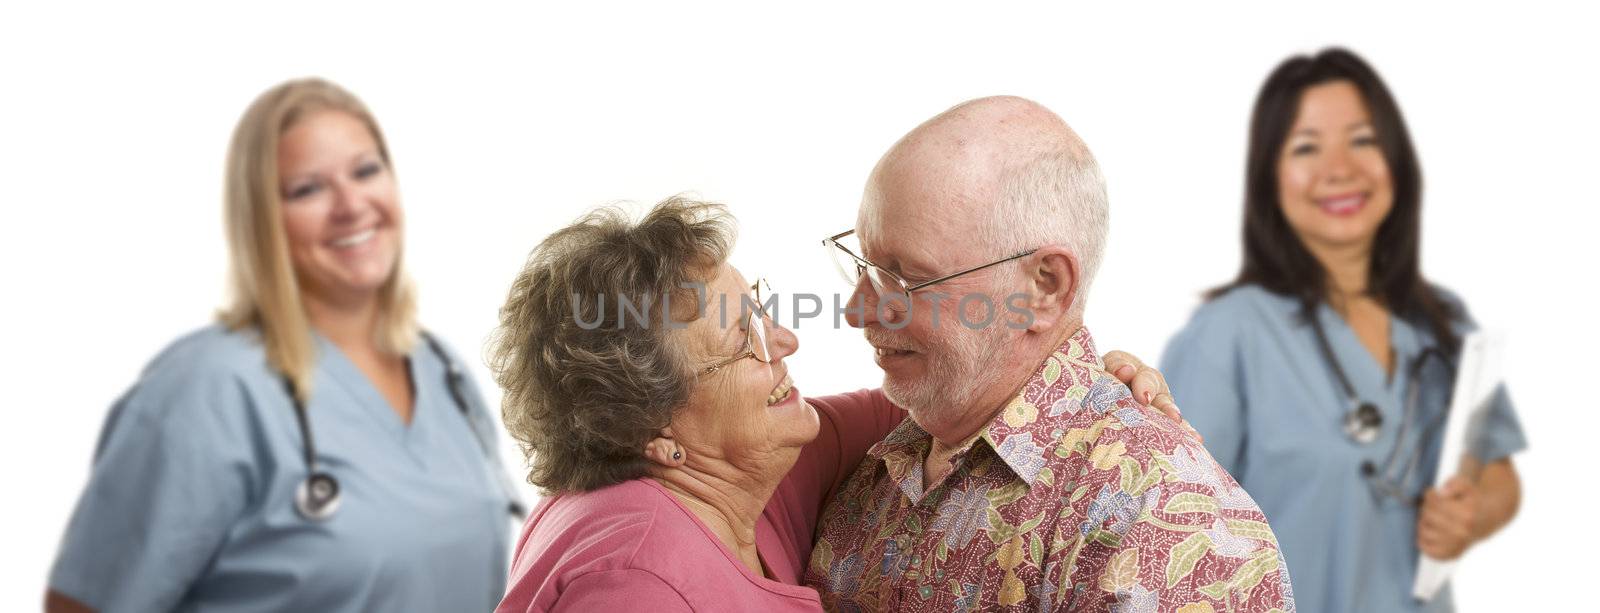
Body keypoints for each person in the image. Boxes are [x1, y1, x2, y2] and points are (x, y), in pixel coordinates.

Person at [488, 197, 1179, 611]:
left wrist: (1085, 378)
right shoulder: (637, 584)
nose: (784, 339)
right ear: (656, 430)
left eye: (761, 308)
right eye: (744, 337)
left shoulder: (756, 466)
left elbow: (950, 400)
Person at [45, 78, 522, 613]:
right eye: (307, 189)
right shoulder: (206, 390)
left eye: (366, 170)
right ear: (262, 219)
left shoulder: (441, 369)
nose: (351, 205)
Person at [804, 96, 1294, 611]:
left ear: (1044, 287)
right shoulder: (872, 466)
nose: (857, 312)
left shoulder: (1163, 519)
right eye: (862, 263)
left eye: (903, 278)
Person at [1159, 48, 1526, 612]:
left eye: (1363, 139)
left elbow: (1497, 470)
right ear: (1269, 176)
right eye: (1307, 147)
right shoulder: (1228, 335)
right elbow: (1170, 524)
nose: (1340, 169)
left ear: (1396, 158)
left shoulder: (1442, 324)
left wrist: (1472, 513)